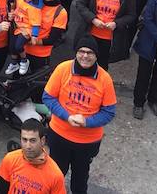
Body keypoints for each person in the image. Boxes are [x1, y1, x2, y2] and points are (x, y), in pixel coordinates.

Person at [42, 36, 116, 194]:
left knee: (80, 181)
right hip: (59, 135)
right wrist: (67, 116)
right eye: (81, 51)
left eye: (90, 52)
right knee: (55, 176)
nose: (85, 56)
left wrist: (87, 122)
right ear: (75, 53)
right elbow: (48, 97)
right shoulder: (63, 69)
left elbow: (109, 112)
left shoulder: (105, 79)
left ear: (96, 55)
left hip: (87, 142)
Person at [70, 0, 136, 70]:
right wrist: (93, 19)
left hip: (109, 38)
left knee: (102, 67)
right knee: (82, 64)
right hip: (90, 33)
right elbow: (80, 4)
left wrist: (116, 23)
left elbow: (131, 15)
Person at [0, 118, 65, 194]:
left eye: (33, 140)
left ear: (42, 141)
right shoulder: (10, 159)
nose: (28, 146)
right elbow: (1, 189)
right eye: (24, 140)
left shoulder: (55, 175)